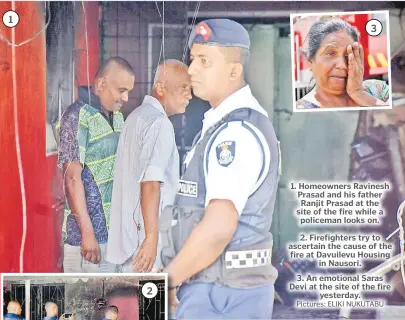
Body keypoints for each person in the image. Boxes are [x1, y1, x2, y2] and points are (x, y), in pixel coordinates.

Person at [160, 19, 281, 319]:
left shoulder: (235, 133)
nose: (191, 70)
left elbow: (218, 228)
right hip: (214, 285)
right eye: (192, 59)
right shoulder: (221, 125)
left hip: (221, 292)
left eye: (204, 61)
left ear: (233, 71)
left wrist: (169, 280)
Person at [106, 59, 192, 273]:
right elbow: (150, 182)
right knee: (149, 305)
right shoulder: (160, 124)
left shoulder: (136, 116)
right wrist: (152, 238)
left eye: (191, 90)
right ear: (160, 88)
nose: (190, 96)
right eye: (184, 88)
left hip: (129, 243)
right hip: (146, 246)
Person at [58, 57, 135, 273]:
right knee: (88, 303)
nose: (126, 98)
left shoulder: (117, 117)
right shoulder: (77, 115)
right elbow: (72, 178)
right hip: (87, 240)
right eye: (121, 90)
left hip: (114, 235)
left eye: (128, 91)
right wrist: (87, 234)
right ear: (101, 84)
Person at [296, 18, 390, 109]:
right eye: (330, 53)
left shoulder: (377, 89)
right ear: (310, 60)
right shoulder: (301, 110)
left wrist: (359, 93)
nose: (342, 65)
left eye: (348, 55)